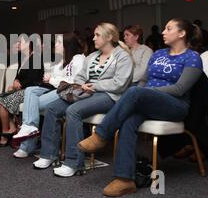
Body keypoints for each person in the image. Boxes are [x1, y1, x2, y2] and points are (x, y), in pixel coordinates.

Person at [78, 18, 202, 197]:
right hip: (149, 101)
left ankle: (101, 135)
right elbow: (143, 80)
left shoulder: (192, 57)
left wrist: (146, 93)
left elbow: (179, 89)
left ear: (182, 34)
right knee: (129, 120)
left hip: (175, 105)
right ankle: (124, 180)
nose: (163, 32)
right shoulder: (159, 54)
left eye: (168, 29)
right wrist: (144, 93)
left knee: (135, 92)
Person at [32, 23, 133, 177]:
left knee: (73, 111)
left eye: (97, 35)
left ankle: (73, 163)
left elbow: (120, 83)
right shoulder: (92, 56)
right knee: (52, 108)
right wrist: (81, 85)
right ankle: (48, 155)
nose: (93, 38)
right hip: (85, 92)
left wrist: (94, 85)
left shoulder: (122, 56)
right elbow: (79, 77)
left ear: (110, 37)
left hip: (110, 95)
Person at [12, 33, 85, 158]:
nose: (55, 45)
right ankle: (28, 128)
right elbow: (53, 78)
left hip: (67, 92)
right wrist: (51, 79)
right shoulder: (60, 60)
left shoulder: (78, 59)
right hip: (55, 89)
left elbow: (72, 82)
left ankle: (27, 143)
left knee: (31, 106)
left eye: (58, 42)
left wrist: (51, 79)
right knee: (30, 90)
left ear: (67, 45)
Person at [0, 36, 44, 147]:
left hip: (30, 91)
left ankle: (6, 132)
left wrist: (19, 85)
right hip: (21, 90)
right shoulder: (23, 58)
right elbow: (18, 76)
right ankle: (11, 128)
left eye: (20, 42)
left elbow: (34, 80)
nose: (17, 44)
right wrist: (15, 82)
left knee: (1, 100)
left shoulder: (36, 58)